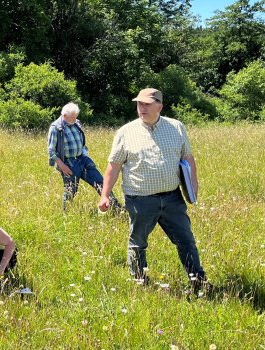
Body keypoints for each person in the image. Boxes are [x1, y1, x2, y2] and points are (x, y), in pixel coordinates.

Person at [98, 88, 209, 293]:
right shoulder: (126, 132)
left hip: (172, 198)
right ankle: (139, 282)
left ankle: (198, 281)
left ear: (160, 106)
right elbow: (113, 166)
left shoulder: (176, 127)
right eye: (139, 104)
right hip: (140, 200)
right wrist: (105, 195)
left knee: (186, 240)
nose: (142, 108)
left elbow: (188, 158)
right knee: (138, 242)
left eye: (147, 104)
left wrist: (194, 186)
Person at [48, 102, 122, 212]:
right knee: (71, 189)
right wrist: (62, 166)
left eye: (75, 117)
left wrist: (84, 153)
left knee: (100, 182)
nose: (74, 120)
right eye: (72, 118)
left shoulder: (76, 123)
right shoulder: (56, 128)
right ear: (64, 116)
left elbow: (81, 142)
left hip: (82, 158)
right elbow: (51, 151)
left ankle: (116, 209)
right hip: (68, 163)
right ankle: (65, 214)